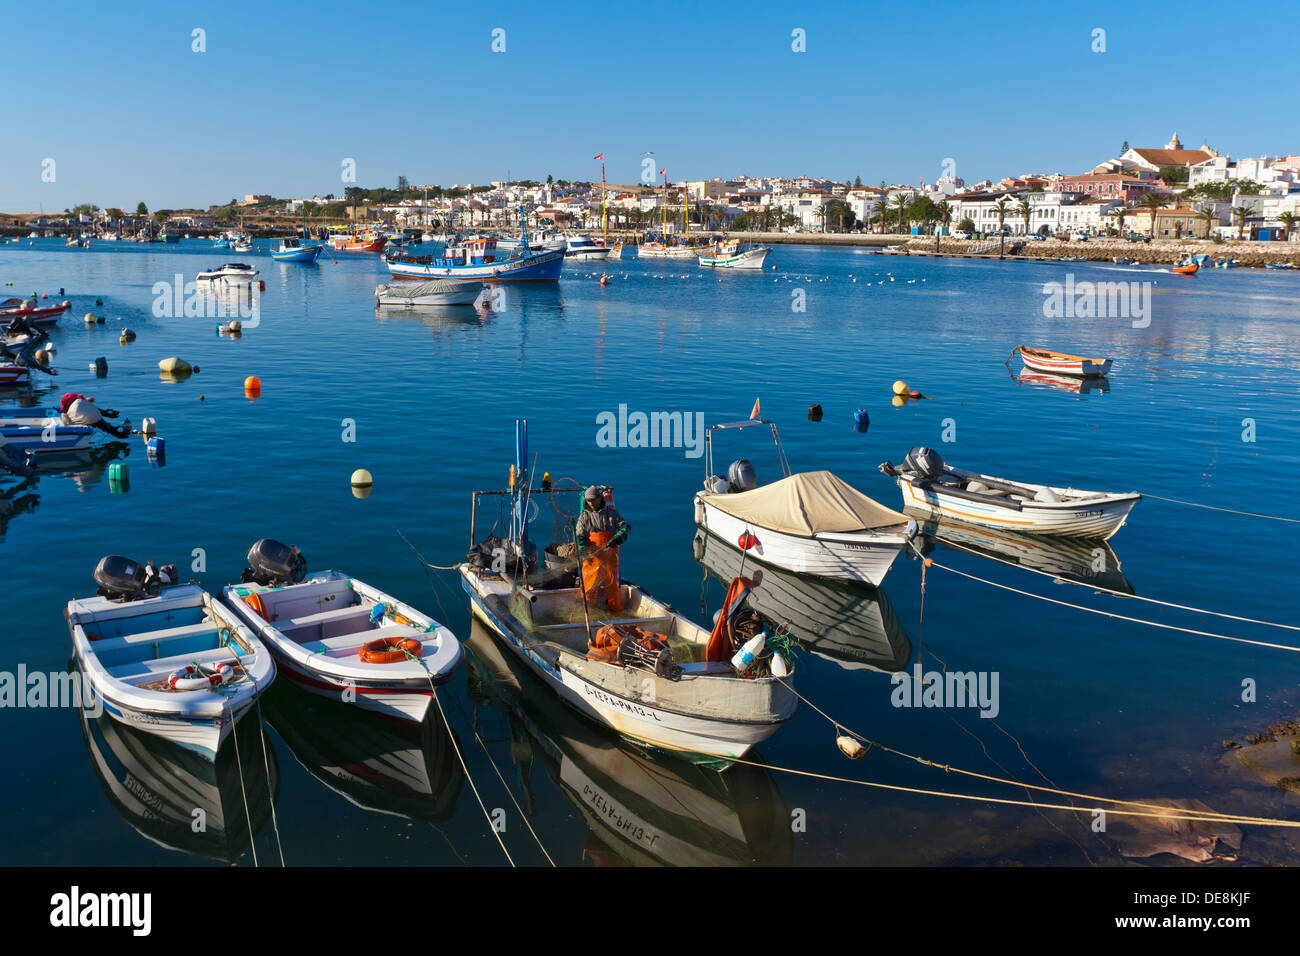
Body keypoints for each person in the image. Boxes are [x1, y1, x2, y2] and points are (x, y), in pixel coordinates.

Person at [574, 485, 630, 613]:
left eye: (593, 499)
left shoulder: (612, 514)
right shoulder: (584, 517)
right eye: (588, 500)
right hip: (592, 557)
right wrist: (583, 550)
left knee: (613, 586)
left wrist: (616, 539)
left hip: (610, 556)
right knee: (589, 585)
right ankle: (588, 611)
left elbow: (625, 527)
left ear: (600, 498)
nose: (591, 503)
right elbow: (579, 536)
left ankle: (616, 610)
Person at [59, 392, 132, 439]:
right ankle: (119, 433)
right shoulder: (77, 405)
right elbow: (94, 411)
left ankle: (116, 431)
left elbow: (91, 409)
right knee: (98, 421)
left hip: (71, 421)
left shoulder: (68, 406)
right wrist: (108, 414)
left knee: (97, 419)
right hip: (75, 423)